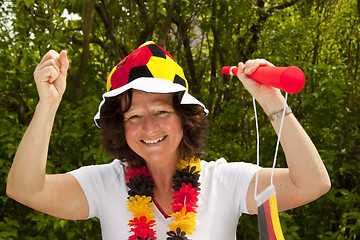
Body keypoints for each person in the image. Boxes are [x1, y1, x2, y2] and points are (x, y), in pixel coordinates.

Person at [6, 41, 331, 239]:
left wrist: (271, 101)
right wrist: (47, 105)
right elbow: (25, 189)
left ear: (184, 118)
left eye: (161, 111)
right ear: (121, 127)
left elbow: (312, 184)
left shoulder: (226, 181)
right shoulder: (103, 183)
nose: (148, 127)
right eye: (133, 116)